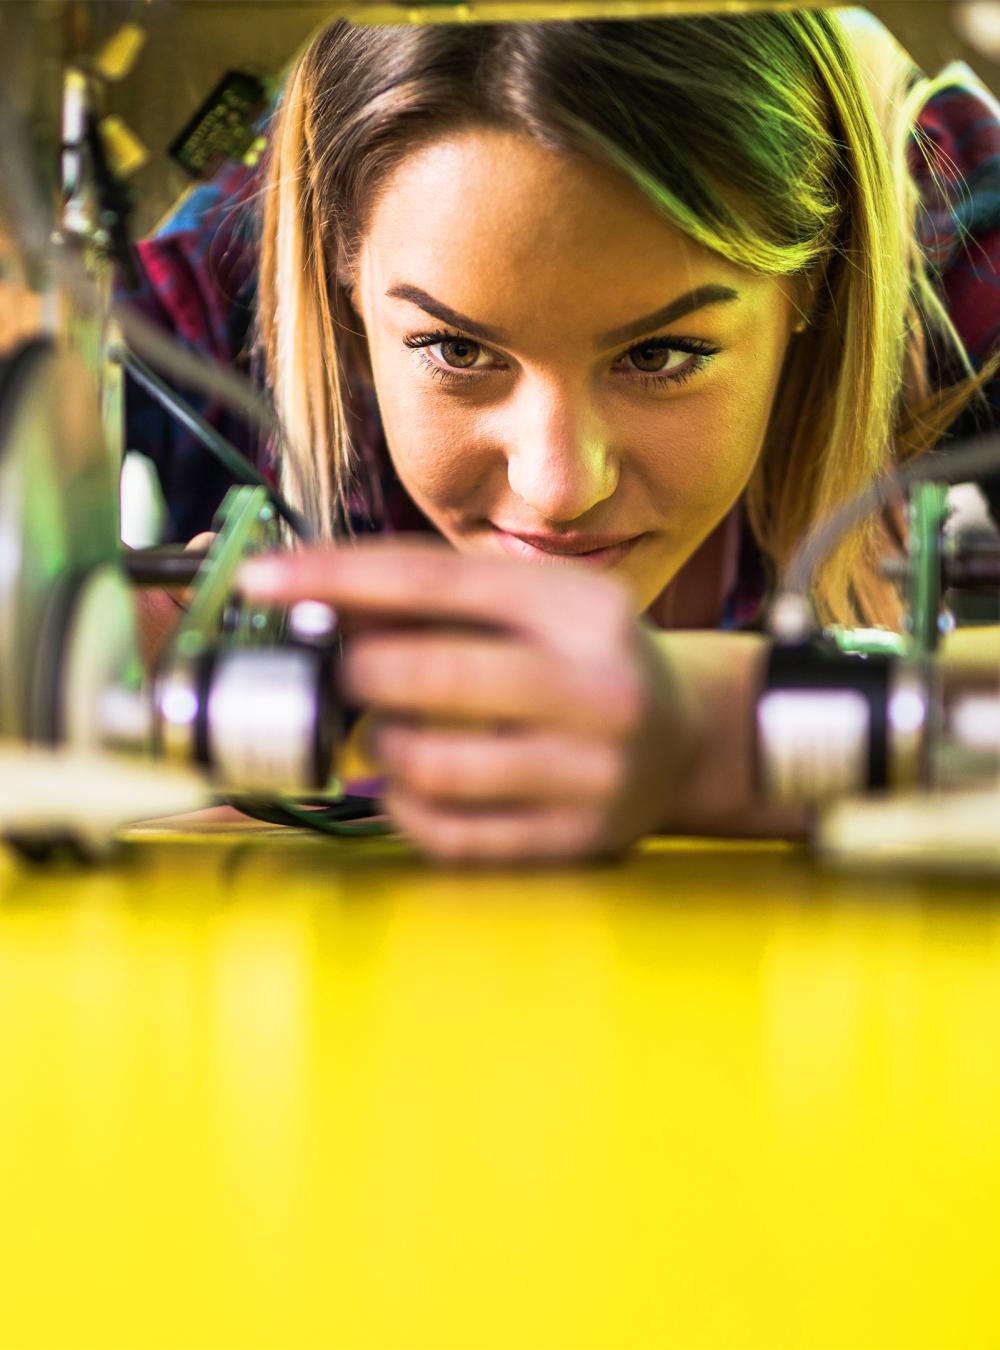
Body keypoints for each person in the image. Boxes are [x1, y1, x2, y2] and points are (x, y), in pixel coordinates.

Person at [127, 9, 1000, 859]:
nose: (559, 488)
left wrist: (717, 736)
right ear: (344, 273)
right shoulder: (246, 250)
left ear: (814, 278)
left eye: (660, 354)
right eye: (455, 348)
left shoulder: (956, 222)